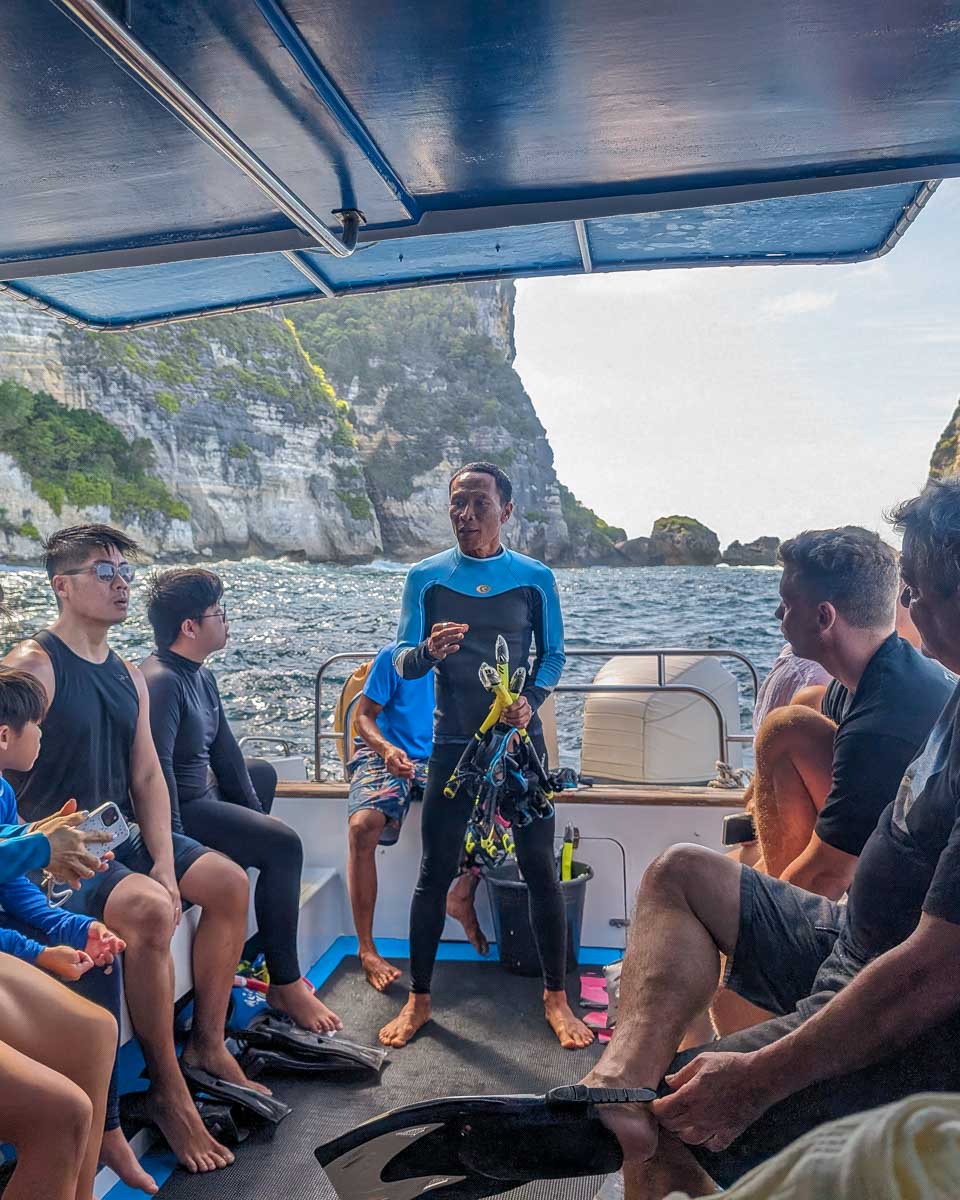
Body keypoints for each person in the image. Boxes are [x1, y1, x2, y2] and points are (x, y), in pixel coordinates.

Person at [578, 475, 960, 1200]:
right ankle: (619, 1083)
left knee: (675, 1120)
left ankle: (648, 1122)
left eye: (914, 591)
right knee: (682, 871)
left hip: (901, 1015)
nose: (904, 608)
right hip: (850, 939)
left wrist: (756, 1078)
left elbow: (930, 976)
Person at [3, 525, 258, 1178]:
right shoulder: (35, 665)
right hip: (67, 849)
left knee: (228, 884)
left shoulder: (125, 671)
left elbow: (148, 774)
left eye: (123, 570)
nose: (121, 582)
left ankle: (206, 1042)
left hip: (127, 831)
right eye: (102, 571)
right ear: (62, 585)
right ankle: (168, 1093)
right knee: (149, 911)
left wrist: (170, 865)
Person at [379, 462, 591, 1051]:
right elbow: (400, 659)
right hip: (455, 745)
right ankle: (420, 999)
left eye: (478, 503)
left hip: (519, 743)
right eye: (457, 503)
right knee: (433, 874)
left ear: (506, 510)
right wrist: (425, 650)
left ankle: (555, 996)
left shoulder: (533, 578)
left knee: (541, 868)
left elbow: (552, 656)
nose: (465, 514)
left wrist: (529, 700)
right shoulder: (425, 578)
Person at [140, 567, 342, 1033]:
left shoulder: (199, 676)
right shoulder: (162, 681)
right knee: (286, 846)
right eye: (219, 613)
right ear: (190, 627)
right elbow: (157, 774)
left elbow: (228, 757)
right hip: (182, 811)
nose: (226, 621)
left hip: (201, 797)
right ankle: (285, 983)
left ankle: (256, 920)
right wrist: (176, 854)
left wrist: (255, 823)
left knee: (261, 775)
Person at [750, 528, 951, 894]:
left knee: (785, 727)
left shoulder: (879, 728)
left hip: (912, 893)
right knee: (804, 706)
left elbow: (825, 878)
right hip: (897, 839)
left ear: (823, 618)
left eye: (787, 603)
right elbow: (814, 704)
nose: (777, 612)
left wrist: (750, 923)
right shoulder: (880, 669)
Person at [346, 642, 489, 991]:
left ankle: (462, 894)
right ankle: (367, 949)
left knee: (496, 805)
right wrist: (387, 749)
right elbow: (363, 716)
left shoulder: (472, 659)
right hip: (386, 752)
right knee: (363, 827)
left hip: (445, 755)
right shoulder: (394, 657)